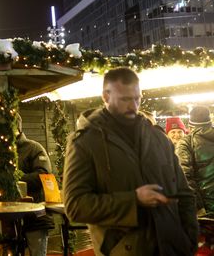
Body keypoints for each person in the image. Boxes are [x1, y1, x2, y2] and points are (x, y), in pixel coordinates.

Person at [63, 67, 198, 256]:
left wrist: (189, 239)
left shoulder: (157, 137)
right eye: (125, 99)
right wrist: (133, 200)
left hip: (173, 248)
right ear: (106, 96)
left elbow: (184, 193)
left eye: (137, 98)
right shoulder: (85, 142)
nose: (133, 106)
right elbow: (75, 205)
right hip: (126, 249)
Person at [14, 115, 54, 256]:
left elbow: (44, 176)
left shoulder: (34, 148)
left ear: (16, 128)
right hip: (12, 218)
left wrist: (16, 179)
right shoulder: (2, 154)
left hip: (36, 216)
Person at [176, 106, 214, 216]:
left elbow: (184, 176)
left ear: (190, 125)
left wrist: (197, 206)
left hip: (207, 209)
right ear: (210, 122)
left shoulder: (186, 143)